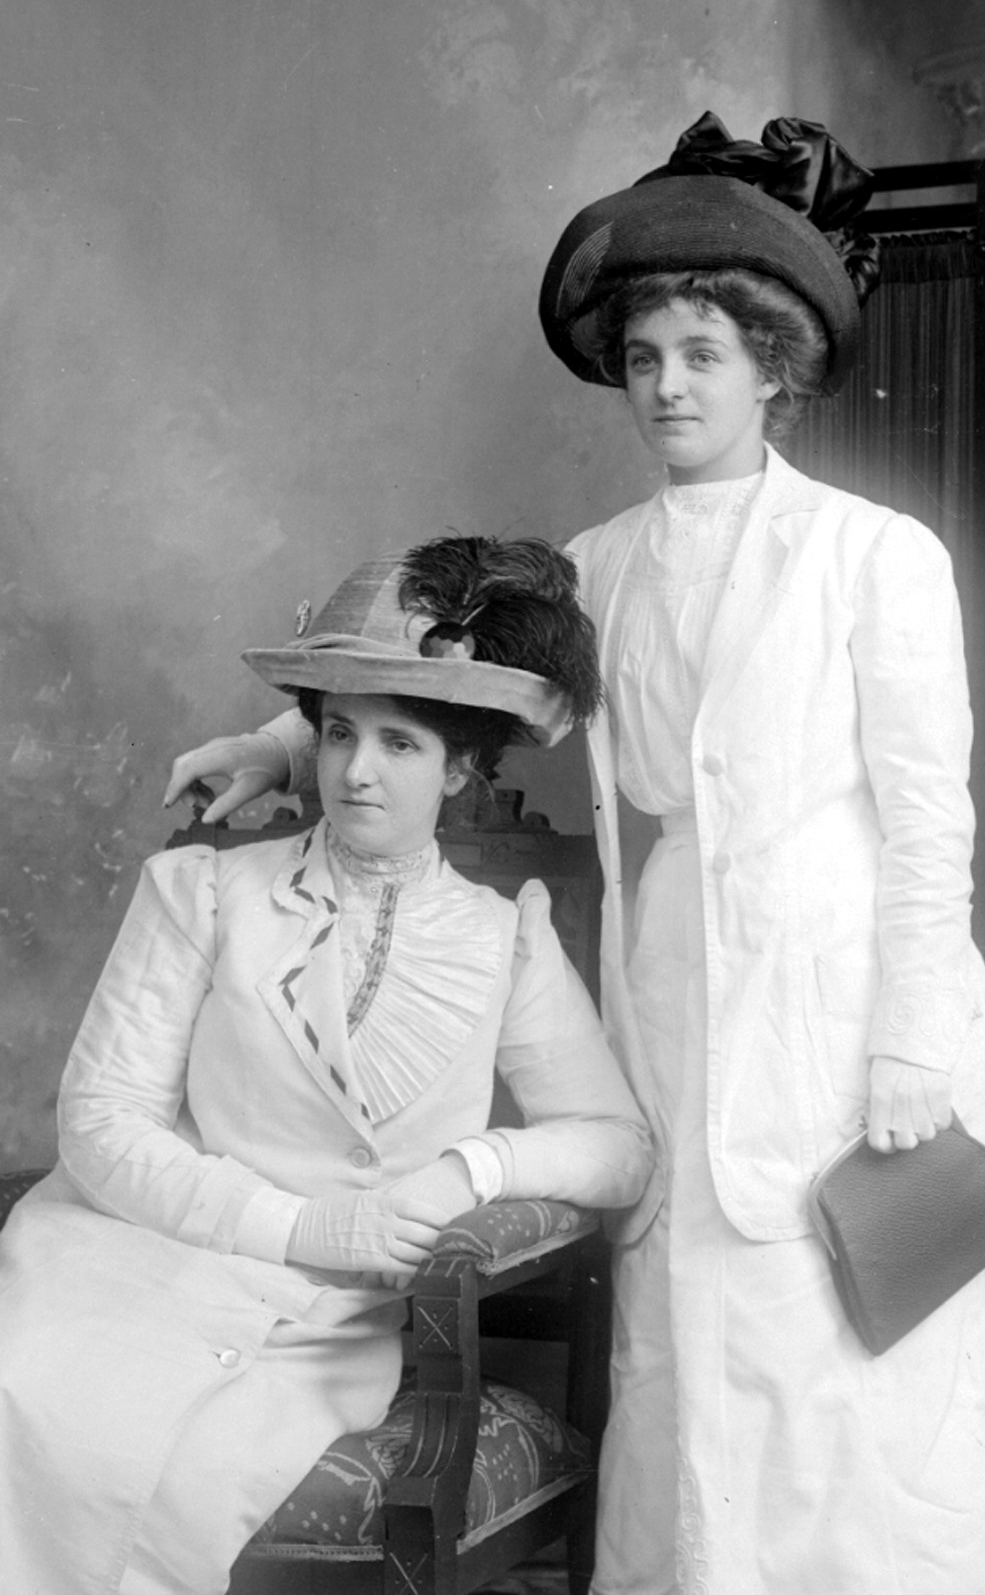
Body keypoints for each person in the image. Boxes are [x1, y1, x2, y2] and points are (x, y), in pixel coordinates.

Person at [164, 115, 985, 1595]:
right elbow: (443, 679)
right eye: (647, 357)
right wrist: (275, 748)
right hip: (670, 992)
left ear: (772, 370)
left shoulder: (874, 555)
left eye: (703, 358)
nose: (668, 386)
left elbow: (931, 822)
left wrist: (908, 1042)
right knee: (703, 1327)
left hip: (846, 990)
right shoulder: (594, 566)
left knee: (855, 1342)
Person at [0, 535, 652, 1595]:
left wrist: (471, 1171)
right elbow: (102, 1120)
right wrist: (297, 1222)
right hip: (136, 1264)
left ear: (465, 766)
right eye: (340, 732)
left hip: (324, 1323)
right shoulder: (204, 893)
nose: (355, 770)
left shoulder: (504, 937)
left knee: (198, 1462)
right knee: (30, 1403)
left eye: (401, 743)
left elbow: (619, 1146)